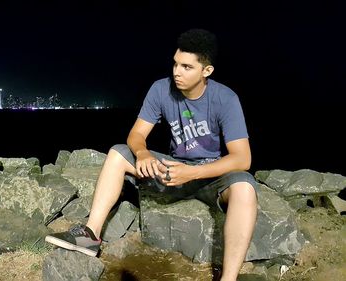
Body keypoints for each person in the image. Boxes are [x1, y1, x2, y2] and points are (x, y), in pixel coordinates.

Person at [45, 28, 258, 281]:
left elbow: (242, 158)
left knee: (245, 186)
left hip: (209, 176)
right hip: (172, 169)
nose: (177, 72)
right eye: (175, 64)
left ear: (206, 71)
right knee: (118, 154)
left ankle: (228, 278)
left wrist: (193, 172)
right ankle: (91, 235)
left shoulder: (225, 98)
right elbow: (135, 135)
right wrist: (143, 152)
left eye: (187, 67)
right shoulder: (161, 89)